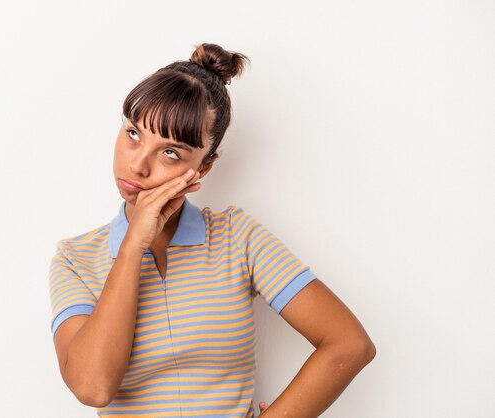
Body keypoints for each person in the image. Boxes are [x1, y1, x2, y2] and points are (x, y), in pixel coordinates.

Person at [48, 42, 376, 418]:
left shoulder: (238, 238)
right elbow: (93, 387)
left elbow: (349, 344)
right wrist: (132, 246)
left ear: (203, 168)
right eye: (133, 134)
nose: (138, 165)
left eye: (170, 152)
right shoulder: (74, 260)